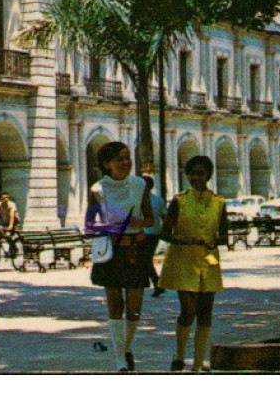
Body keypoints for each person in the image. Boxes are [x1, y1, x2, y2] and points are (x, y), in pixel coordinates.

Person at [86, 141, 156, 372]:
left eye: (128, 157)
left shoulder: (139, 185)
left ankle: (125, 347)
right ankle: (119, 360)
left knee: (134, 307)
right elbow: (90, 223)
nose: (126, 163)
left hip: (135, 251)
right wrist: (106, 227)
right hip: (112, 252)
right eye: (120, 159)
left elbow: (150, 220)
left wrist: (139, 222)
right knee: (115, 306)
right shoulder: (97, 189)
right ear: (107, 164)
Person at [158, 155, 228, 372]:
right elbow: (165, 233)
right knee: (188, 311)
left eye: (200, 173)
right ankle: (179, 354)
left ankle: (198, 365)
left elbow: (224, 236)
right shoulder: (179, 200)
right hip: (183, 260)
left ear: (208, 176)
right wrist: (184, 239)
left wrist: (214, 241)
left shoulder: (219, 202)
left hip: (208, 260)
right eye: (191, 173)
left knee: (206, 312)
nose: (195, 177)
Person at [141, 168, 167, 296]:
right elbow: (164, 217)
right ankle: (155, 284)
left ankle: (156, 284)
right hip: (154, 233)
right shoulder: (159, 200)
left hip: (144, 234)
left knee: (144, 259)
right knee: (145, 259)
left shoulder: (137, 200)